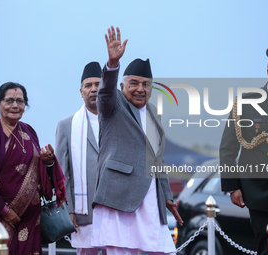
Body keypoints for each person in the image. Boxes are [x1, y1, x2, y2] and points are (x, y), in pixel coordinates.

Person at [91, 26, 183, 255]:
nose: (140, 89)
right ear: (122, 86)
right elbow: (105, 93)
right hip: (119, 196)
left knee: (164, 251)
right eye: (134, 83)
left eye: (146, 85)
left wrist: (168, 197)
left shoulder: (154, 115)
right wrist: (112, 64)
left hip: (151, 199)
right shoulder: (113, 105)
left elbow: (157, 160)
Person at [0, 82, 66, 255]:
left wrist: (49, 162)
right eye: (9, 100)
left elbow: (41, 173)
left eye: (20, 101)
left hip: (30, 220)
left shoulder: (29, 131)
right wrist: (4, 210)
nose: (15, 105)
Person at [220, 46, 268, 255]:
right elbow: (227, 150)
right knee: (267, 250)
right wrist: (233, 187)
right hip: (261, 193)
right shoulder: (246, 105)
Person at [55, 61, 106, 255]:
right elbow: (62, 174)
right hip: (84, 210)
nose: (94, 89)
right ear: (81, 91)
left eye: (98, 84)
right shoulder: (66, 125)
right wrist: (68, 208)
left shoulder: (118, 121)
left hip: (115, 210)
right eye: (88, 85)